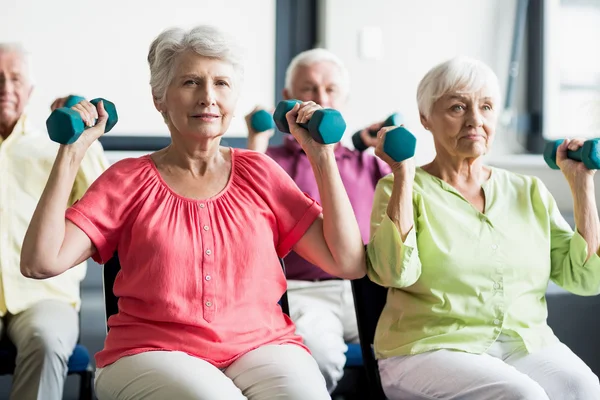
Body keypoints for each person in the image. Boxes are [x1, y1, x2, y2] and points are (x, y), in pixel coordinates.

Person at [20, 26, 366, 400]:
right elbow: (41, 262)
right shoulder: (126, 180)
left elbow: (347, 263)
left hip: (263, 346)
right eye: (190, 82)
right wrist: (71, 152)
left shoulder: (262, 173)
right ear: (159, 98)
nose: (208, 97)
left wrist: (321, 155)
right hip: (151, 352)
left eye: (221, 83)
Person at [368, 56, 600, 399]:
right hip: (429, 348)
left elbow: (585, 278)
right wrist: (403, 174)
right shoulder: (400, 188)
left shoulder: (528, 191)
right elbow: (393, 273)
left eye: (487, 107)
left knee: (582, 387)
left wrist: (582, 185)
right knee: (522, 395)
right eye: (458, 108)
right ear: (425, 119)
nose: (475, 120)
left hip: (525, 343)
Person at [246, 48, 390, 392]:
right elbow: (242, 206)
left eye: (330, 90)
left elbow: (406, 211)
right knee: (318, 358)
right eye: (309, 89)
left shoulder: (367, 163)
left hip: (368, 288)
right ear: (288, 98)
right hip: (302, 292)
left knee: (420, 350)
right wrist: (256, 139)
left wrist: (386, 153)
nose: (320, 98)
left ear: (344, 97)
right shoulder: (268, 160)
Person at [0, 43, 108, 400]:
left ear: (30, 90)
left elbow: (103, 203)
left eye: (15, 78)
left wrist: (82, 140)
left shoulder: (56, 144)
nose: (6, 87)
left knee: (45, 340)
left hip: (44, 296)